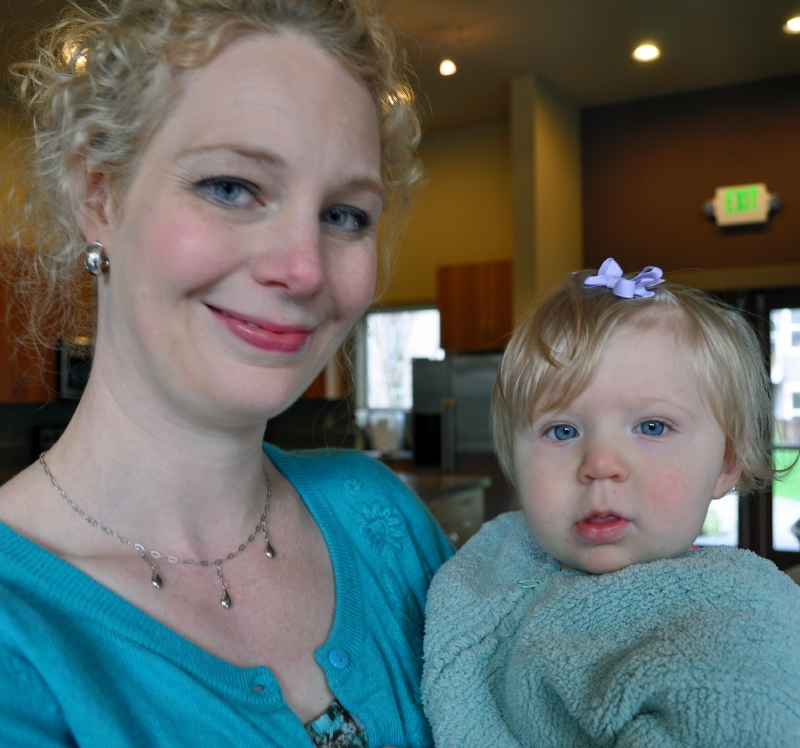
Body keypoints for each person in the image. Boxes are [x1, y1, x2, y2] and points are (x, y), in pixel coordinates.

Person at [0, 1, 452, 746]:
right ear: (99, 193)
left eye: (344, 215)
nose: (304, 269)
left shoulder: (386, 521)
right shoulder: (18, 634)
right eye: (232, 188)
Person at [422, 259, 800, 747]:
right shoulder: (493, 565)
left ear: (727, 463)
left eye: (652, 427)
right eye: (563, 431)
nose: (600, 464)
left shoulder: (735, 623)